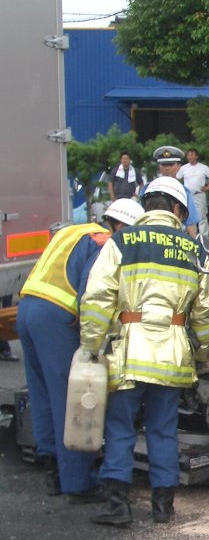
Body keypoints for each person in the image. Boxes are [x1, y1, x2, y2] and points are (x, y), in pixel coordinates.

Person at [79, 177, 209, 525]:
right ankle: (163, 507)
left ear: (147, 205)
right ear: (176, 209)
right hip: (172, 357)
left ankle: (118, 505)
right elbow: (207, 315)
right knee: (162, 430)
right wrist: (202, 358)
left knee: (121, 428)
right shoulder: (194, 250)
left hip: (128, 353)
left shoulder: (122, 241)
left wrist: (91, 346)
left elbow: (97, 298)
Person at [16, 199, 145, 500]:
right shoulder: (104, 243)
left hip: (28, 310)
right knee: (71, 400)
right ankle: (78, 482)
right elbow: (91, 289)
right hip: (57, 318)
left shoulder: (74, 231)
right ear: (122, 227)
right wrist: (96, 339)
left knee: (44, 396)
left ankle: (53, 471)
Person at [145, 145, 201, 237]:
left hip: (176, 237)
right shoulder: (149, 189)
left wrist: (194, 246)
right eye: (164, 165)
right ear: (159, 166)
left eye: (171, 164)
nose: (167, 168)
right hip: (150, 236)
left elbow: (190, 223)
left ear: (179, 166)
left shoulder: (184, 192)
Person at [176, 148, 209, 240]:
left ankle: (204, 238)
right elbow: (177, 177)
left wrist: (208, 187)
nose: (190, 156)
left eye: (192, 154)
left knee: (202, 216)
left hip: (199, 194)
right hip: (188, 196)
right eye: (188, 155)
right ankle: (192, 237)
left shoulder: (203, 167)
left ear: (196, 156)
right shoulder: (184, 168)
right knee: (189, 216)